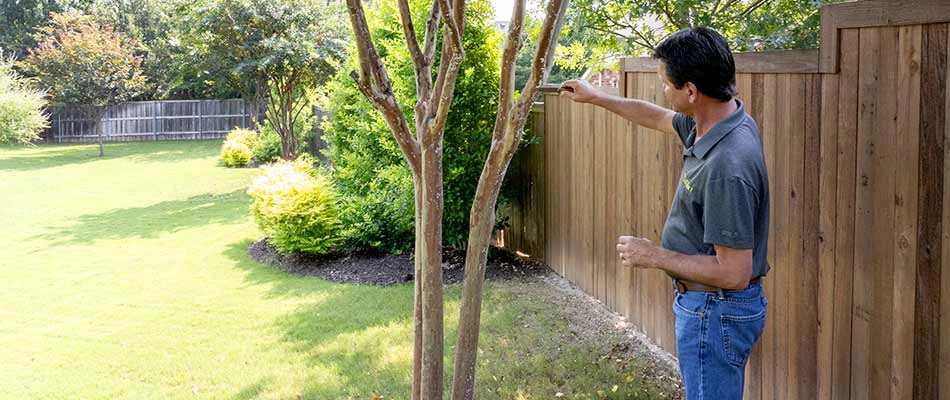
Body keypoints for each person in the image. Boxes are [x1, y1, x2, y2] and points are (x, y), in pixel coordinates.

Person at [560, 27, 769, 400]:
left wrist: (652, 255)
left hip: (714, 311)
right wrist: (597, 98)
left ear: (690, 90)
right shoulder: (718, 121)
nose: (662, 90)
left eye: (664, 83)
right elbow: (655, 116)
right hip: (711, 308)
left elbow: (734, 273)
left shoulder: (726, 165)